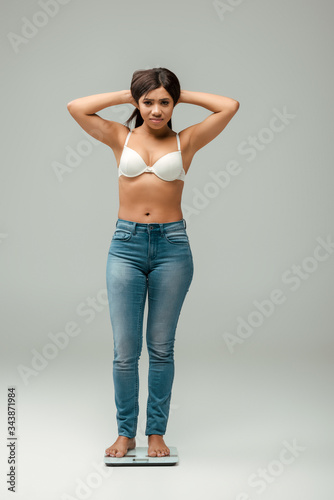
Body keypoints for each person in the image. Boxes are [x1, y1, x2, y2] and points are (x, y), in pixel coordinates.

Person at [67, 67, 239, 458]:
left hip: (172, 247)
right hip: (125, 246)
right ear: (137, 103)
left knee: (161, 348)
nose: (156, 110)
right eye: (148, 102)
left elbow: (229, 107)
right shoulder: (120, 136)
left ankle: (156, 433)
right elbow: (76, 108)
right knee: (125, 350)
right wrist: (130, 93)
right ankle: (125, 433)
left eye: (164, 102)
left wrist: (178, 93)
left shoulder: (186, 140)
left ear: (173, 104)